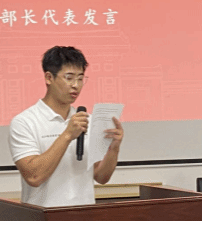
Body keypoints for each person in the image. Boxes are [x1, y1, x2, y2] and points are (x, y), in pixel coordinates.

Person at [8, 46, 124, 207]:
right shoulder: (25, 121)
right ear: (49, 78)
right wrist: (67, 135)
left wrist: (114, 149)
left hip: (85, 214)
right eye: (69, 78)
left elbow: (101, 176)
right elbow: (34, 177)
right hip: (44, 215)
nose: (76, 85)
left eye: (80, 78)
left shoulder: (88, 120)